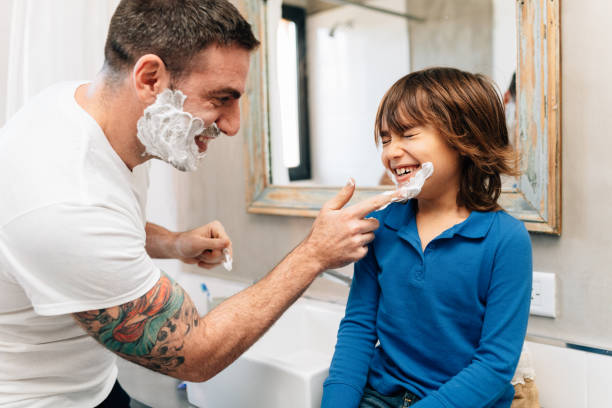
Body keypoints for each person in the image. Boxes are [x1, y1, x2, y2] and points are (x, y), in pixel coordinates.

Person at [0, 1, 395, 406]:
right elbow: (195, 354)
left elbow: (111, 220)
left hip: (96, 382)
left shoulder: (86, 111)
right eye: (222, 98)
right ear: (150, 78)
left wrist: (172, 242)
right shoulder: (66, 199)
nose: (232, 124)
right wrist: (314, 254)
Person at [321, 67, 533, 408]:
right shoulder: (380, 227)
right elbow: (358, 329)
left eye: (408, 134)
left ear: (464, 139)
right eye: (386, 138)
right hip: (380, 397)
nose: (391, 151)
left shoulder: (505, 240)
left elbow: (494, 365)